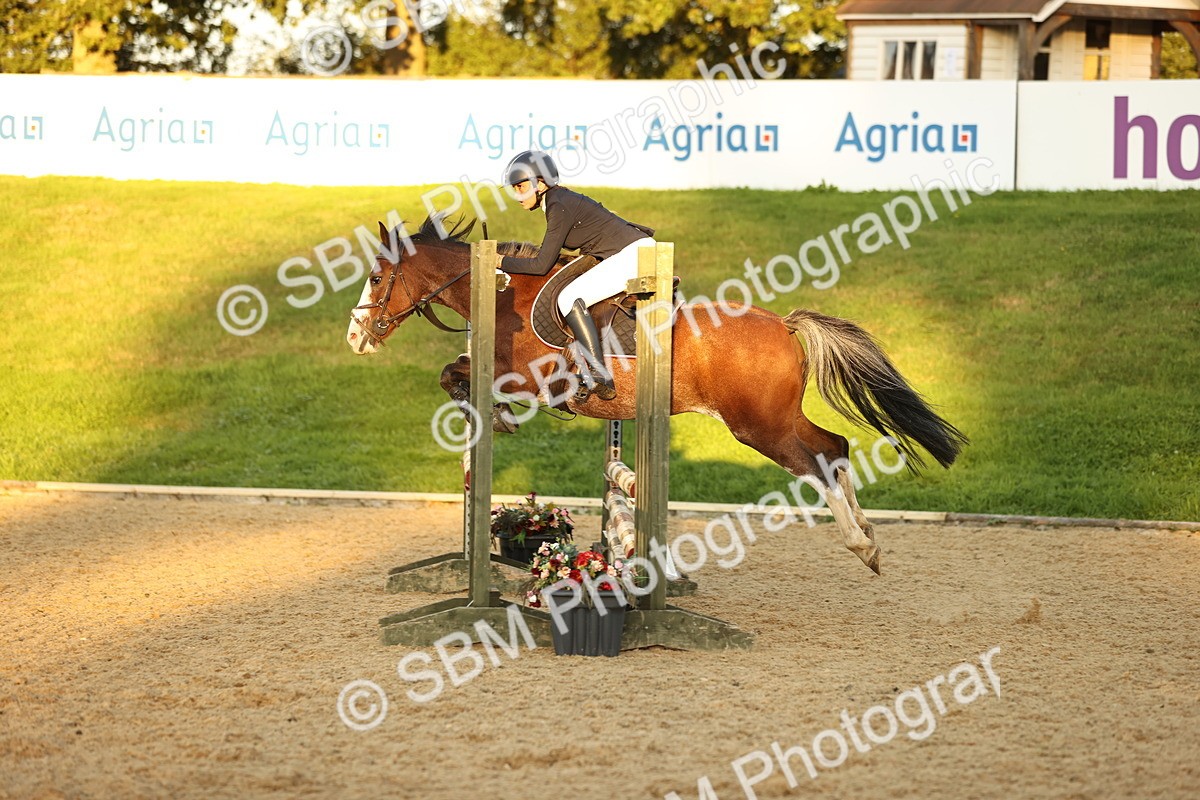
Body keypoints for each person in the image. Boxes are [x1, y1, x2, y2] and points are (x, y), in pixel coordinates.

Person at [499, 150, 656, 401]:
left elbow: (541, 265)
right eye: (514, 189)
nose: (517, 195)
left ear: (540, 183)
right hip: (631, 253)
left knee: (569, 298)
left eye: (521, 187)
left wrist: (501, 261)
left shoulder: (558, 205)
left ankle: (598, 372)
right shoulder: (558, 201)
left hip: (634, 256)